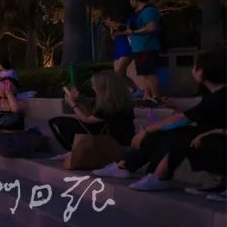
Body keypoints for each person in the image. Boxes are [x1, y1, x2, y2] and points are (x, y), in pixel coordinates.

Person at [95, 49, 225, 194]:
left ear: (201, 72)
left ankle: (156, 176)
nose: (192, 70)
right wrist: (174, 106)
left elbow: (184, 118)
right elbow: (199, 113)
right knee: (168, 133)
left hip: (217, 143)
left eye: (195, 67)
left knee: (177, 134)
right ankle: (127, 167)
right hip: (209, 137)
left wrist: (146, 131)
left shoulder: (218, 97)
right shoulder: (214, 95)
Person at [48, 70, 135, 150]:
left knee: (57, 122)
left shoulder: (109, 106)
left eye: (94, 85)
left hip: (113, 142)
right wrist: (78, 100)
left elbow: (86, 119)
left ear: (102, 87)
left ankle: (75, 152)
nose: (93, 88)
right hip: (124, 139)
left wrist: (72, 104)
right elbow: (91, 114)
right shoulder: (121, 102)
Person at [124, 0, 163, 105]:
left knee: (150, 74)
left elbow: (151, 27)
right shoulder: (140, 13)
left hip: (147, 47)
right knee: (146, 74)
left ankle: (157, 97)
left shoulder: (149, 11)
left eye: (131, 0)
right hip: (140, 48)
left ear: (136, 0)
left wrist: (134, 32)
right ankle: (148, 97)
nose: (130, 2)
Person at [103, 14, 141, 95]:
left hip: (126, 50)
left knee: (118, 74)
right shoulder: (113, 26)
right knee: (122, 75)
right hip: (118, 51)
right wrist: (111, 28)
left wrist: (114, 26)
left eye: (109, 20)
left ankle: (116, 93)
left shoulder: (126, 22)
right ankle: (136, 90)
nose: (108, 21)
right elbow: (113, 38)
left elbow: (128, 32)